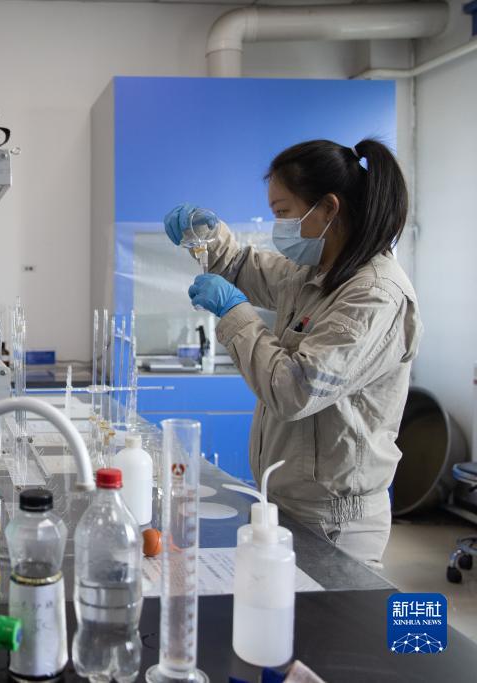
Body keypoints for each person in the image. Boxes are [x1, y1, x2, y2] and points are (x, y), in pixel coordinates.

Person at [164, 138, 422, 569]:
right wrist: (207, 235)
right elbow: (246, 267)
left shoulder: (373, 295)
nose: (277, 225)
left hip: (334, 519)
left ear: (328, 209)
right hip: (289, 502)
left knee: (328, 614)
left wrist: (235, 314)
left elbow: (295, 390)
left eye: (283, 212)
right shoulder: (318, 273)